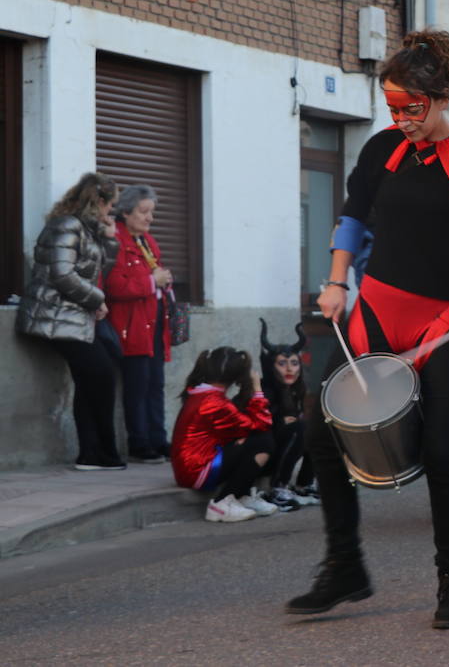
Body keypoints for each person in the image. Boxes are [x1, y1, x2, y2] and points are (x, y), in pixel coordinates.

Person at [287, 29, 449, 630]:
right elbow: (352, 216)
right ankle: (345, 565)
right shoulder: (381, 150)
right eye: (393, 109)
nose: (403, 119)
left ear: (442, 98)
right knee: (318, 428)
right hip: (377, 307)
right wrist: (335, 281)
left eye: (413, 109)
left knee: (442, 452)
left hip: (446, 322)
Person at [16, 172, 125, 471]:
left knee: (93, 378)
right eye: (110, 205)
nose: (111, 212)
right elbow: (61, 275)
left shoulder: (86, 229)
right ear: (98, 200)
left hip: (72, 316)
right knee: (99, 374)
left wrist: (110, 240)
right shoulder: (66, 226)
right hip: (54, 315)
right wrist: (96, 299)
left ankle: (93, 455)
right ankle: (101, 453)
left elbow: (95, 269)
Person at [104, 184, 174, 464]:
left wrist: (162, 280)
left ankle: (158, 439)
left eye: (151, 213)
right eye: (143, 212)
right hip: (130, 324)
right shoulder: (116, 241)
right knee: (137, 385)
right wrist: (151, 282)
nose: (149, 218)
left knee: (155, 383)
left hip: (154, 321)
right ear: (126, 211)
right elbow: (114, 286)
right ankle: (139, 442)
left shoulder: (148, 241)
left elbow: (155, 274)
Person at [169, 346, 277, 522]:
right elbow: (262, 424)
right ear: (236, 377)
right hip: (197, 471)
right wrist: (257, 389)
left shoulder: (201, 393)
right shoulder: (215, 402)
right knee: (264, 442)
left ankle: (241, 496)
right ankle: (222, 502)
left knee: (252, 439)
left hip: (190, 467)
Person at [257, 319, 316, 510]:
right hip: (261, 454)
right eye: (282, 364)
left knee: (317, 428)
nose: (290, 369)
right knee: (299, 428)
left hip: (284, 446)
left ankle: (304, 484)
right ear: (272, 366)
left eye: (293, 363)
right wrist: (279, 420)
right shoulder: (264, 389)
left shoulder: (295, 390)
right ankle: (277, 488)